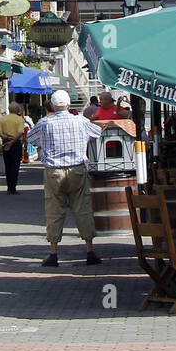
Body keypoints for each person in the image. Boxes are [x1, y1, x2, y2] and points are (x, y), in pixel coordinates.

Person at [26, 89, 102, 267]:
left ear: (52, 105)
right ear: (69, 105)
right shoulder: (80, 121)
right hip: (77, 169)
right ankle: (90, 250)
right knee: (82, 207)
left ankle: (53, 253)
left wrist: (43, 143)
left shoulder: (45, 123)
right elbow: (97, 133)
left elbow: (30, 138)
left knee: (54, 210)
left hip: (54, 171)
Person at [0, 103, 27, 194]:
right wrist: (12, 141)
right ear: (17, 110)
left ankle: (9, 186)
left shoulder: (3, 119)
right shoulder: (19, 120)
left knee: (8, 165)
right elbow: (20, 132)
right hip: (16, 143)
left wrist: (6, 138)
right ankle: (13, 187)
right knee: (15, 166)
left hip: (5, 142)